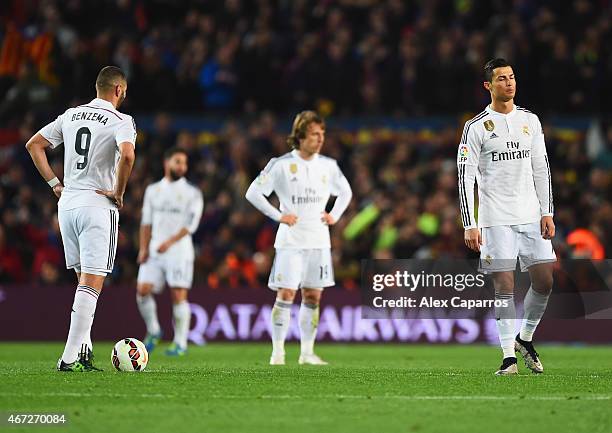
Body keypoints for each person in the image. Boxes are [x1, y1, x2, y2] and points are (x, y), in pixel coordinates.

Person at [25, 66, 136, 371]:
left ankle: (83, 353)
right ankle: (69, 357)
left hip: (68, 204)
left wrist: (54, 185)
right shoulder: (121, 120)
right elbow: (127, 156)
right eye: (123, 92)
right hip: (97, 204)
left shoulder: (71, 115)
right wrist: (119, 191)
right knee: (92, 282)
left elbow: (33, 145)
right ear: (118, 90)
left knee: (83, 281)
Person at [457, 58, 555, 375]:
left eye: (512, 77)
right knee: (504, 284)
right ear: (488, 86)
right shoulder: (476, 127)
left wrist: (547, 211)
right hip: (495, 216)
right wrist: (469, 223)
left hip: (530, 214)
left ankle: (524, 339)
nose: (509, 83)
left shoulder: (531, 120)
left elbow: (541, 168)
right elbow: (465, 176)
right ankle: (507, 358)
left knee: (544, 281)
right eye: (501, 79)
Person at [245, 110, 352, 365]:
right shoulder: (280, 164)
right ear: (300, 137)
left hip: (319, 241)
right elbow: (253, 193)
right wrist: (277, 215)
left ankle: (307, 353)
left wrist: (334, 215)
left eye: (322, 133)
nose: (320, 139)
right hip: (291, 242)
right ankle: (278, 353)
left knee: (313, 296)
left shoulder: (328, 165)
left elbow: (345, 192)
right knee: (286, 295)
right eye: (315, 134)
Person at [136, 147, 203, 356]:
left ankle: (180, 342)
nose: (182, 166)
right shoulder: (153, 190)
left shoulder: (192, 192)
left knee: (178, 295)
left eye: (184, 163)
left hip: (179, 250)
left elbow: (191, 225)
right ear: (167, 163)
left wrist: (170, 242)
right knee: (142, 291)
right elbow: (146, 222)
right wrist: (143, 248)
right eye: (178, 162)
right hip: (155, 249)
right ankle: (154, 330)